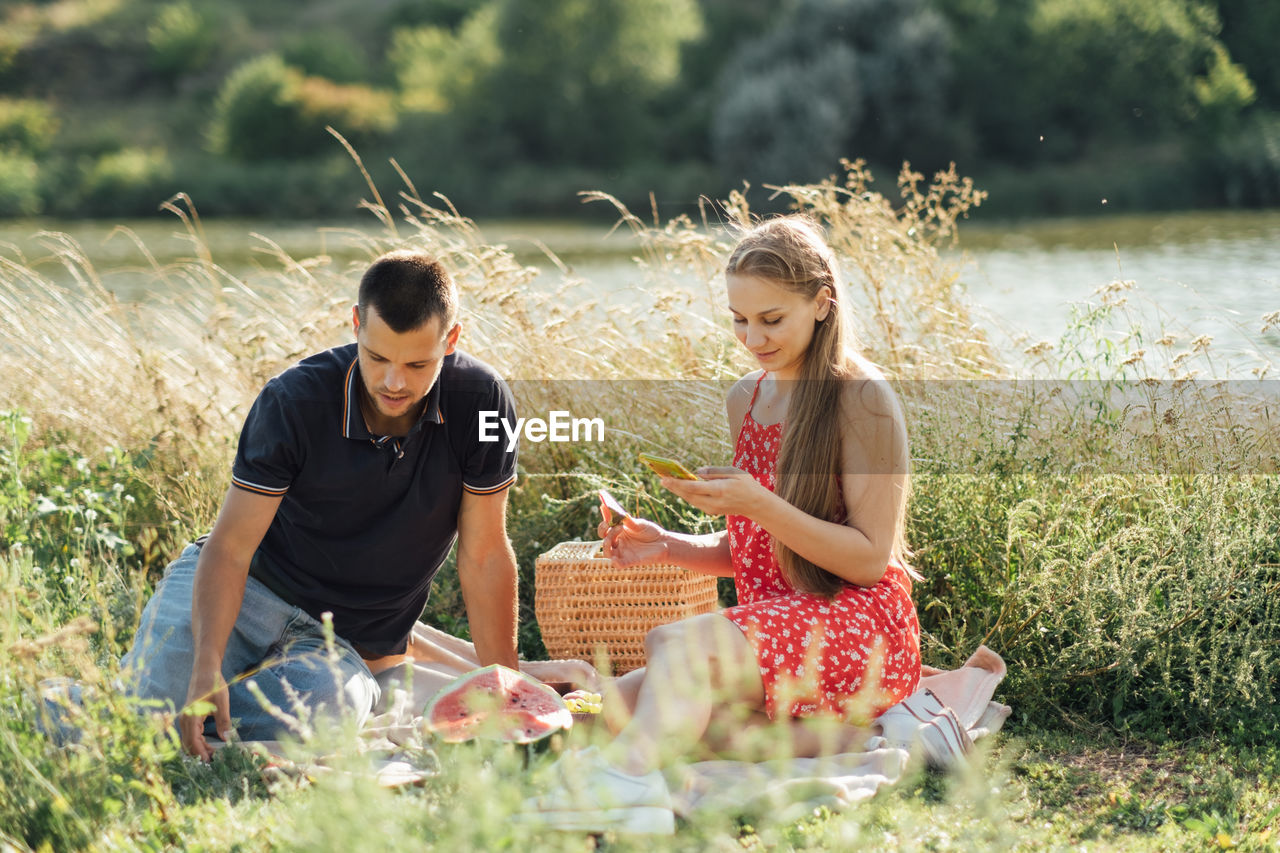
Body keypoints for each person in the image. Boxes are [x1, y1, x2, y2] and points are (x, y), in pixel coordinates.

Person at [521, 216, 922, 834]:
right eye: (739, 318)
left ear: (821, 303)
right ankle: (839, 735)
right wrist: (669, 545)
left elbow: (869, 560)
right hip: (780, 628)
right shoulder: (747, 398)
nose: (752, 337)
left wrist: (757, 501)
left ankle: (628, 789)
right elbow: (762, 552)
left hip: (861, 626)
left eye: (771, 319)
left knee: (673, 646)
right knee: (616, 711)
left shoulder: (862, 397)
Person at [120, 249, 537, 760]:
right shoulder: (294, 401)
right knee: (146, 709)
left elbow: (486, 557)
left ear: (451, 340)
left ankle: (178, 742)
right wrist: (207, 663)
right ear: (356, 324)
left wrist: (511, 691)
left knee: (333, 708)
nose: (394, 382)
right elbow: (230, 548)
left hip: (339, 642)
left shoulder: (482, 401)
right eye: (378, 357)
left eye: (417, 364)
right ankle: (143, 724)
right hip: (249, 588)